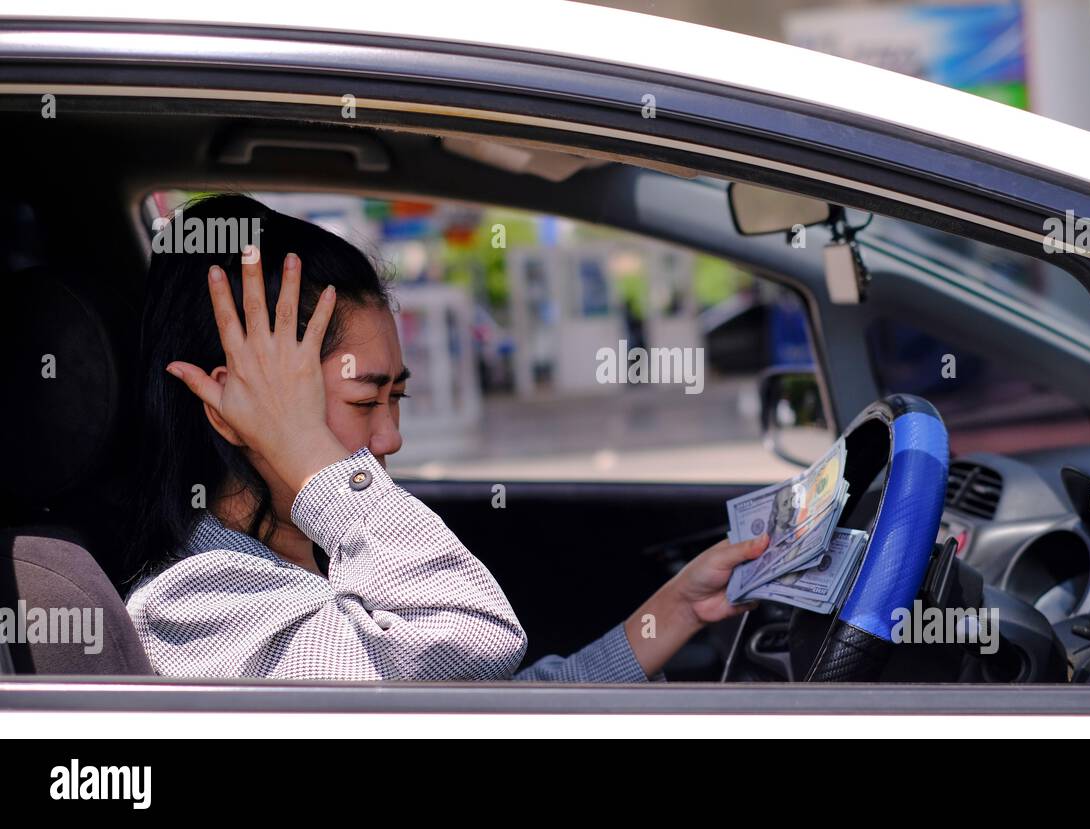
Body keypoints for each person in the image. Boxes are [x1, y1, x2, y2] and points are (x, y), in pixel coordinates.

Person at [123, 194, 767, 682]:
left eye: (395, 397)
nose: (391, 436)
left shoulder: (300, 560)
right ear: (235, 408)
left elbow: (481, 709)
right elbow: (476, 642)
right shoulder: (198, 606)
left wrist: (677, 611)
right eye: (364, 400)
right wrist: (319, 465)